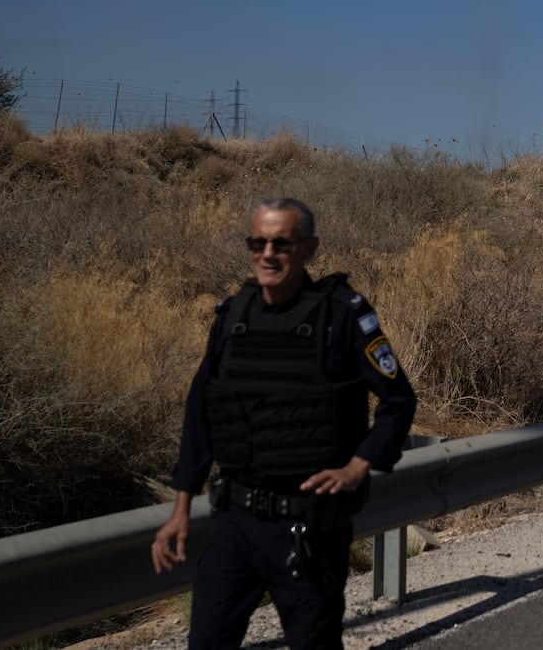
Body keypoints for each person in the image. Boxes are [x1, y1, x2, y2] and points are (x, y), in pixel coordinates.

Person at [151, 198, 417, 650]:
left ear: (310, 248)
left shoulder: (343, 315)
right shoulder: (232, 316)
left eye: (281, 242)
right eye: (258, 242)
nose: (267, 253)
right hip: (235, 523)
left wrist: (357, 468)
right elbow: (200, 412)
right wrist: (180, 509)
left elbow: (398, 400)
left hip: (309, 526)